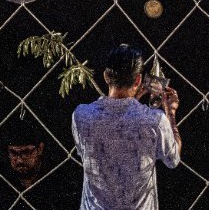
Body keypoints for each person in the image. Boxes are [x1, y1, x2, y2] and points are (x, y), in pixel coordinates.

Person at [71, 44, 181, 210]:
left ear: (106, 76)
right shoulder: (154, 120)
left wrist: (132, 102)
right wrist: (170, 113)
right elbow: (173, 159)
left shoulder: (82, 116)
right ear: (138, 80)